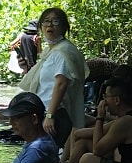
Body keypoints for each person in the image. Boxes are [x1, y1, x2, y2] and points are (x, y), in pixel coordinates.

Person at [18, 8, 89, 147]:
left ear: (63, 27)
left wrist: (50, 115)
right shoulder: (50, 51)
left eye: (55, 21)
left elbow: (61, 83)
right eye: (46, 21)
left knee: (41, 157)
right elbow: (45, 81)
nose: (49, 25)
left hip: (55, 115)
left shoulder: (64, 51)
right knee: (37, 157)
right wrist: (26, 69)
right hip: (43, 112)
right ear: (41, 27)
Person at [73, 77, 132, 163]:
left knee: (87, 160)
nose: (104, 101)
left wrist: (99, 116)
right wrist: (77, 132)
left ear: (117, 100)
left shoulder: (125, 122)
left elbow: (97, 150)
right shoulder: (125, 120)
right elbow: (103, 130)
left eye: (106, 97)